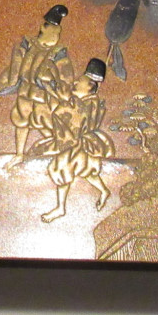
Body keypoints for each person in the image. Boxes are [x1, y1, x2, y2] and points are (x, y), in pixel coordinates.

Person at [0, 4, 75, 169]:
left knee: (46, 124)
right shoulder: (28, 45)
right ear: (43, 28)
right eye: (52, 29)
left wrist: (53, 85)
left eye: (58, 31)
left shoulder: (58, 52)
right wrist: (11, 81)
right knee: (21, 122)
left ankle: (62, 152)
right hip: (25, 92)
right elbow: (17, 65)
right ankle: (19, 154)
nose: (55, 34)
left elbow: (65, 76)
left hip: (44, 97)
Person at [35, 57, 115, 222]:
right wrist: (53, 91)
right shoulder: (88, 101)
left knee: (61, 170)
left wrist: (56, 97)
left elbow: (66, 115)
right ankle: (104, 191)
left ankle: (60, 208)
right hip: (82, 145)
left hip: (74, 145)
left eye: (80, 81)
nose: (75, 82)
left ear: (90, 87)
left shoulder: (85, 104)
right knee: (85, 170)